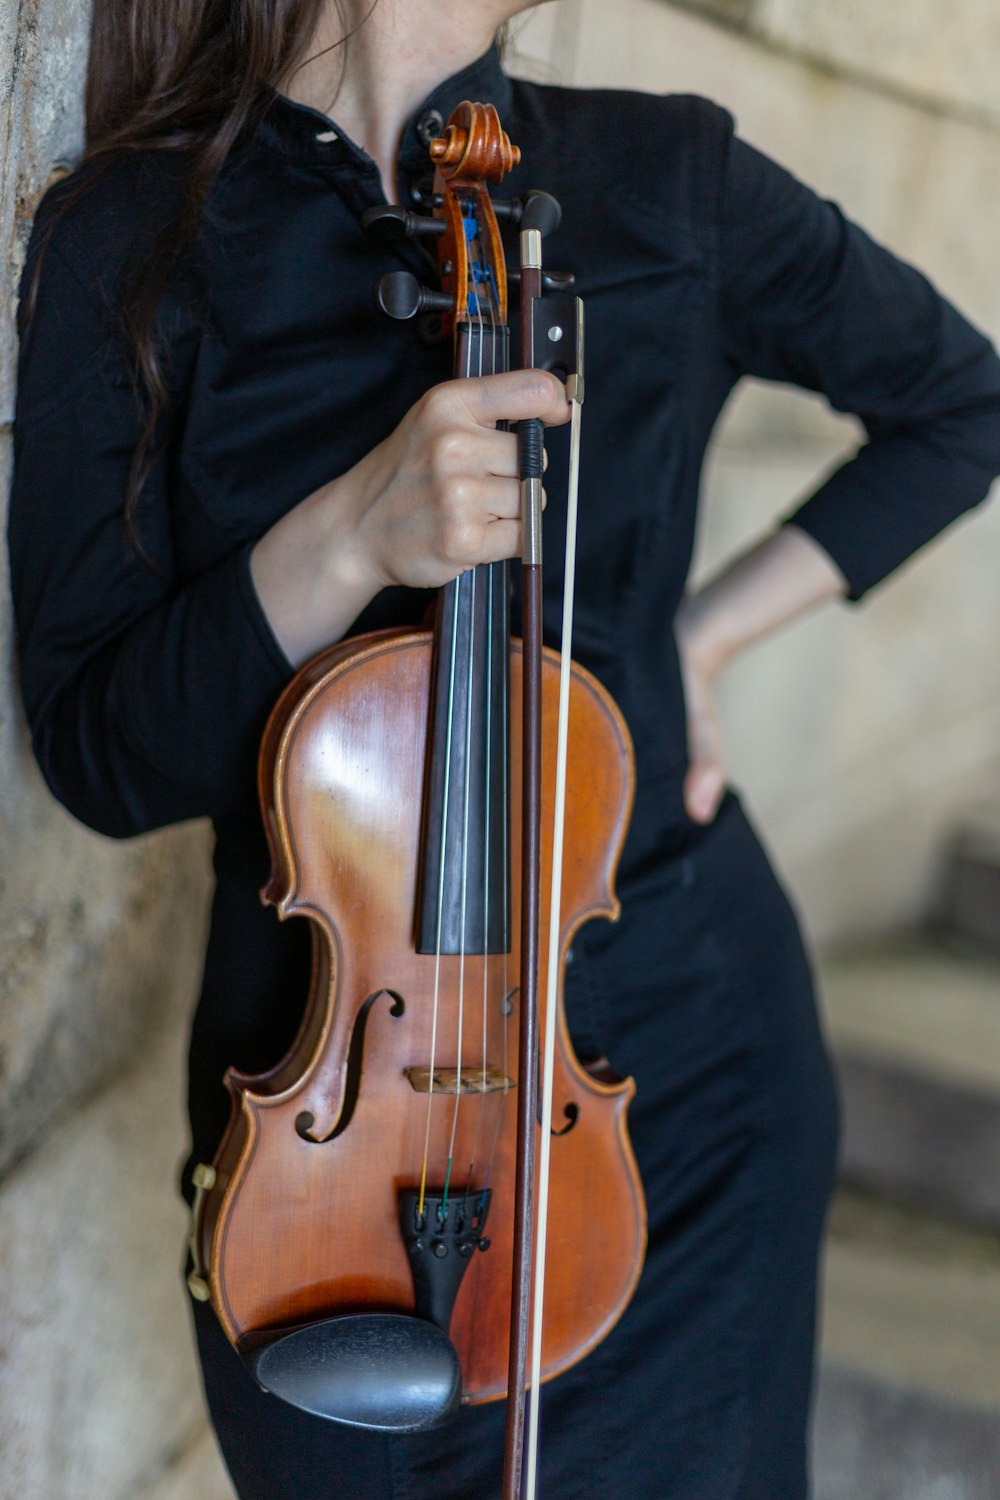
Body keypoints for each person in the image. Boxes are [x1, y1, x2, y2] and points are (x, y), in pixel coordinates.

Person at [10, 2, 1000, 1497]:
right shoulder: (136, 233)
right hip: (325, 1096)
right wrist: (348, 538)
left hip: (670, 1060)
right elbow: (99, 751)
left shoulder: (666, 177)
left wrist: (697, 640)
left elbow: (961, 403)